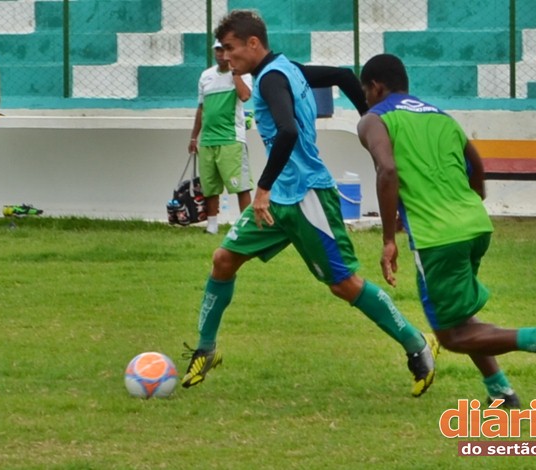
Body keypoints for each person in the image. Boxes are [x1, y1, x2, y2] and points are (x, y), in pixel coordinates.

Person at [181, 10, 439, 398]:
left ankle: (417, 344)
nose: (226, 57)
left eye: (230, 49)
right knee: (223, 260)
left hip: (305, 196)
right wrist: (369, 121)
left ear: (253, 43)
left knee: (344, 284)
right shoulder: (288, 69)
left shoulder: (271, 79)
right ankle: (206, 349)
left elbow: (288, 131)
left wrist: (262, 188)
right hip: (280, 198)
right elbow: (343, 76)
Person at [356, 54, 536, 407]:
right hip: (474, 225)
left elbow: (388, 171)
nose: (365, 100)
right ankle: (500, 391)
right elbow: (477, 168)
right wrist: (461, 206)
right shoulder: (442, 117)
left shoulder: (373, 120)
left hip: (438, 237)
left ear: (376, 87)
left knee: (452, 336)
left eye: (365, 92)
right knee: (460, 315)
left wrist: (388, 239)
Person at [188, 39, 254, 234]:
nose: (221, 54)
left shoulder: (242, 74)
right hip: (208, 139)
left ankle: (245, 226)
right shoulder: (206, 76)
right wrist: (194, 137)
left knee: (240, 186)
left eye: (225, 50)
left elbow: (245, 96)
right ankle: (212, 226)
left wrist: (235, 73)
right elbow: (201, 108)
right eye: (218, 50)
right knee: (209, 186)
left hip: (231, 139)